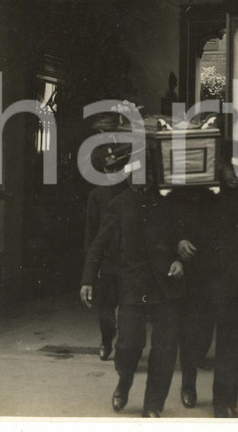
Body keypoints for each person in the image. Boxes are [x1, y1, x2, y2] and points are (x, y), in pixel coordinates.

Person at [175, 142, 238, 418]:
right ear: (218, 164)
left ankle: (225, 403)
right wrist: (180, 240)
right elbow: (178, 223)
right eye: (231, 167)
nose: (236, 174)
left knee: (231, 345)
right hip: (200, 282)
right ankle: (188, 383)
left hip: (235, 282)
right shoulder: (199, 195)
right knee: (196, 339)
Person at [80, 176, 185, 418]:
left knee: (165, 349)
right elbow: (99, 243)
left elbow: (184, 238)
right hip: (133, 285)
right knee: (128, 345)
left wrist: (181, 261)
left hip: (166, 284)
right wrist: (87, 279)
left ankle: (153, 405)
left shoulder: (167, 202)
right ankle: (124, 382)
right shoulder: (119, 203)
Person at [83, 143, 130, 360]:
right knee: (106, 309)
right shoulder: (97, 195)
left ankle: (123, 349)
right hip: (107, 259)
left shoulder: (130, 192)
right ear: (103, 170)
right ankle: (106, 340)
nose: (112, 173)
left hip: (128, 259)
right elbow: (92, 235)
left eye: (116, 168)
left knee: (129, 309)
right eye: (109, 169)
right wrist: (92, 270)